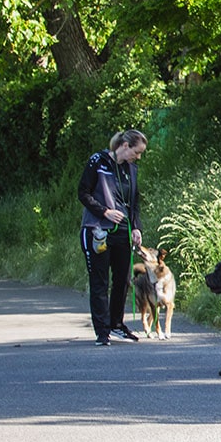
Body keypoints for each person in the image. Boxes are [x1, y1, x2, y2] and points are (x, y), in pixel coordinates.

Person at [78, 129, 147, 346]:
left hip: (122, 231)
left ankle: (116, 324)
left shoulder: (131, 169)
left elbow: (134, 202)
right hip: (98, 229)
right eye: (137, 152)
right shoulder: (97, 162)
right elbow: (83, 193)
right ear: (125, 146)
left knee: (123, 279)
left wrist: (136, 227)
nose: (138, 157)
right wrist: (105, 212)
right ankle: (102, 331)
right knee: (100, 281)